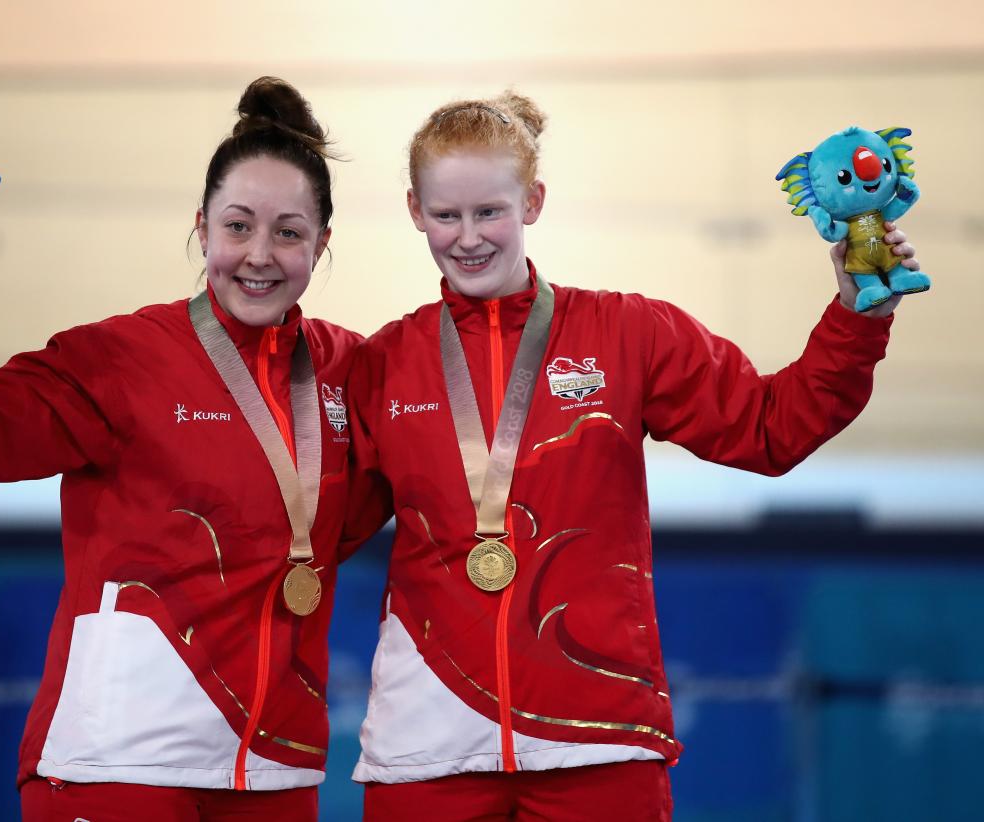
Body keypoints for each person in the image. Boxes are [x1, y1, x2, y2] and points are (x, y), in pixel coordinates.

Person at [342, 92, 919, 821]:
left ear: (533, 201)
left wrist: (857, 319)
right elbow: (317, 524)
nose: (468, 238)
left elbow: (772, 428)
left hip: (600, 739)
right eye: (446, 216)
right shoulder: (383, 365)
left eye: (489, 211)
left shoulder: (627, 334)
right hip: (426, 743)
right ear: (414, 211)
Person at [0, 77, 359, 822]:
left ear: (321, 242)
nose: (259, 255)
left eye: (288, 232)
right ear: (201, 227)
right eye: (238, 226)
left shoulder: (351, 372)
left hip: (274, 769)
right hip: (118, 762)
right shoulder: (122, 359)